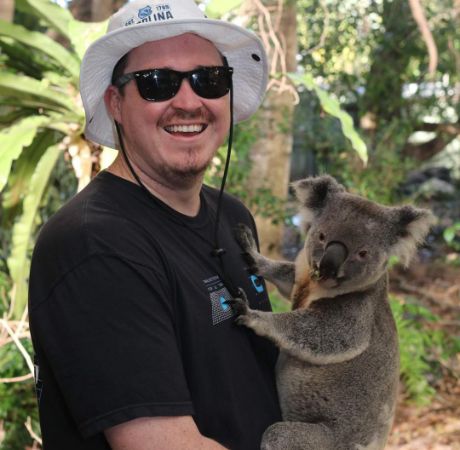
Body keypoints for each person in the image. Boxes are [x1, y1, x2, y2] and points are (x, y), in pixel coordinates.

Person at [28, 0, 281, 448]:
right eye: (157, 83)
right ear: (115, 104)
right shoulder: (93, 243)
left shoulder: (233, 216)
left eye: (209, 80)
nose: (188, 102)